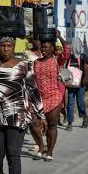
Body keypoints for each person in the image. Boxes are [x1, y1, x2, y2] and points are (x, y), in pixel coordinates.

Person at [0, 36, 45, 174]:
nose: (6, 49)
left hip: (17, 116)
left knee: (13, 155)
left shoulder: (24, 65)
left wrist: (41, 114)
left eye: (9, 46)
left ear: (14, 46)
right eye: (3, 45)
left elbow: (33, 90)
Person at [33, 30, 71, 161]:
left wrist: (59, 36)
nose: (43, 49)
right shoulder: (36, 62)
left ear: (52, 49)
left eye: (46, 47)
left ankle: (49, 152)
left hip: (54, 97)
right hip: (39, 98)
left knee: (52, 125)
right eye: (42, 47)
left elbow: (67, 49)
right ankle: (41, 147)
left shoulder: (57, 60)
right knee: (34, 124)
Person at [65, 37, 88, 131]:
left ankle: (85, 117)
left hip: (81, 84)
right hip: (72, 83)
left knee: (80, 102)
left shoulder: (83, 56)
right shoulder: (70, 57)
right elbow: (67, 70)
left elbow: (86, 69)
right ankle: (70, 123)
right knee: (70, 103)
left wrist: (85, 79)